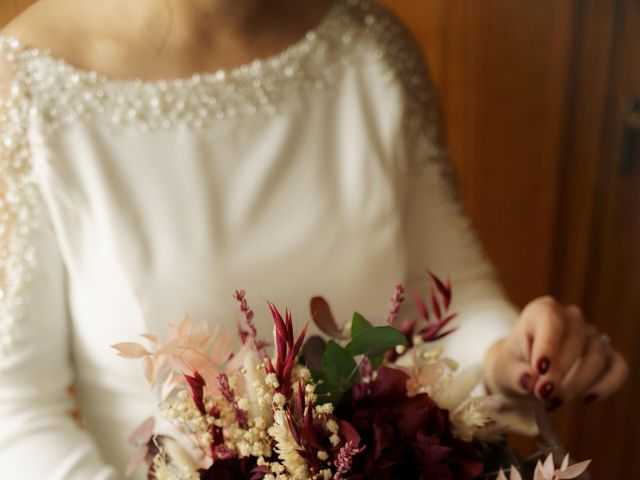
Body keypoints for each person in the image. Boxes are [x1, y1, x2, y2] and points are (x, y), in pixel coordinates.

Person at [0, 0, 628, 478]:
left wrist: (513, 356)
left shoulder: (370, 47)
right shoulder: (24, 86)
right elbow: (15, 413)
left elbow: (450, 296)